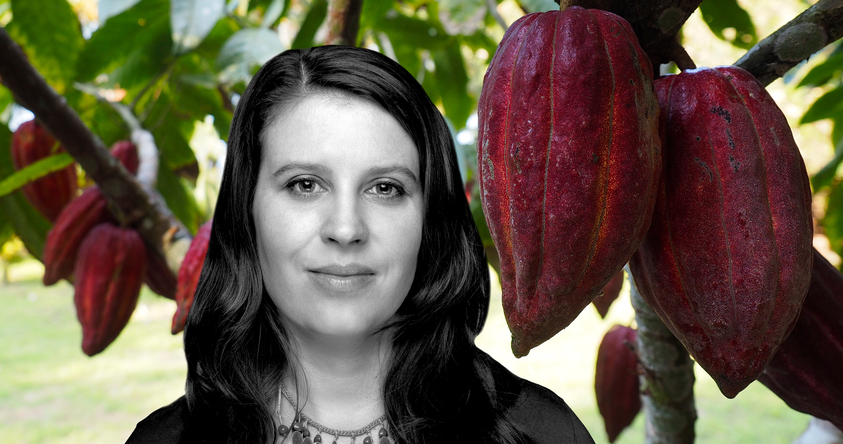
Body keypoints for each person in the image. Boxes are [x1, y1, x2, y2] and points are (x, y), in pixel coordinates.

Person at [127, 45, 594, 444]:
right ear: (246, 210)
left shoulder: (540, 433)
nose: (346, 228)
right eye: (305, 185)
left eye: (385, 188)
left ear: (430, 219)